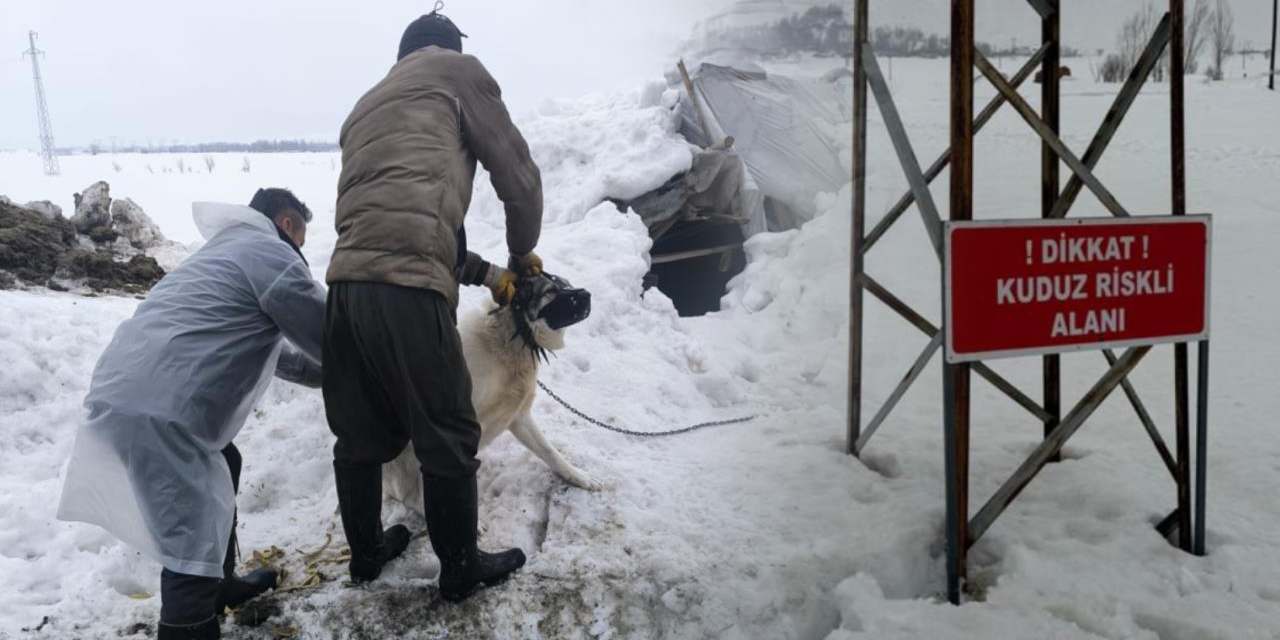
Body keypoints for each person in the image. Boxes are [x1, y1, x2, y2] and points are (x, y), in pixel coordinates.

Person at [323, 6, 544, 602]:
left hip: (345, 286)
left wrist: (486, 273)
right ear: (446, 47)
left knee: (358, 432)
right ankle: (460, 567)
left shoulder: (366, 104)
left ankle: (366, 555)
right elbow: (518, 177)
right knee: (447, 428)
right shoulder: (457, 73)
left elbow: (399, 215)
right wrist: (523, 257)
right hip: (409, 283)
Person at [58, 189, 326, 640]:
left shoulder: (221, 254)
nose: (300, 245)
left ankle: (220, 587)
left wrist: (323, 375)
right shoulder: (270, 254)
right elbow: (331, 334)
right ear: (286, 224)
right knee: (191, 533)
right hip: (163, 413)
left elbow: (277, 352)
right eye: (300, 232)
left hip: (125, 393)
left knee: (225, 461)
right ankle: (190, 623)